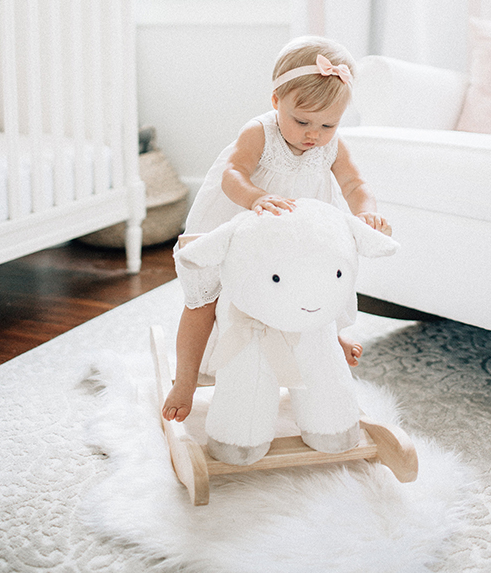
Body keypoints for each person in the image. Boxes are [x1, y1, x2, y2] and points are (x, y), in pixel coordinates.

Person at [163, 36, 391, 422]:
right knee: (203, 297)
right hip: (241, 219)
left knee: (316, 284)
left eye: (327, 124)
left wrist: (366, 211)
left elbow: (355, 185)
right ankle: (185, 379)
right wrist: (254, 197)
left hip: (296, 236)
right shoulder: (260, 132)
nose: (312, 134)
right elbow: (232, 174)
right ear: (276, 102)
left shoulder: (332, 146)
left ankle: (327, 339)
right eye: (301, 121)